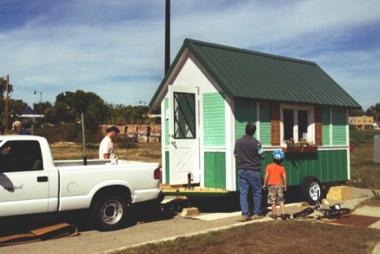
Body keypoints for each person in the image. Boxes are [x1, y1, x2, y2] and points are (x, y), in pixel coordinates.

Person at [234, 122, 265, 222]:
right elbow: (262, 155)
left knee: (243, 193)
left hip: (242, 169)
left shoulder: (238, 142)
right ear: (254, 131)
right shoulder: (256, 143)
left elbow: (235, 154)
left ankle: (245, 214)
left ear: (245, 130)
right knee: (257, 192)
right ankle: (257, 213)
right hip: (254, 170)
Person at [263, 150, 287, 220]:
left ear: (273, 158)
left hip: (271, 185)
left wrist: (264, 184)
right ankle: (283, 213)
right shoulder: (282, 168)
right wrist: (285, 185)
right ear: (281, 160)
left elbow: (266, 176)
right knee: (281, 200)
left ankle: (274, 214)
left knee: (272, 200)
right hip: (280, 185)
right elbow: (284, 177)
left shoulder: (268, 166)